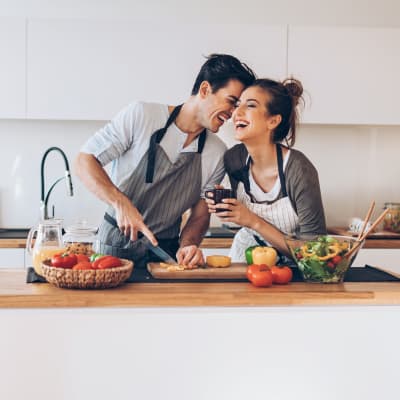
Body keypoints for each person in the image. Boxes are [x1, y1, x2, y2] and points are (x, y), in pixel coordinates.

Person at [75, 54, 256, 270]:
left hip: (166, 256)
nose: (234, 113)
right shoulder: (142, 115)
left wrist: (188, 246)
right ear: (205, 89)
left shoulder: (216, 152)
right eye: (231, 101)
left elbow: (199, 215)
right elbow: (84, 160)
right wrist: (120, 203)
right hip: (114, 250)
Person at [207, 78, 326, 262]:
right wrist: (224, 205)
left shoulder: (298, 170)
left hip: (295, 267)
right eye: (238, 105)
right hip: (246, 256)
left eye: (251, 105)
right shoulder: (234, 159)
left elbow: (314, 254)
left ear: (273, 121)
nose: (237, 112)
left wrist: (252, 220)